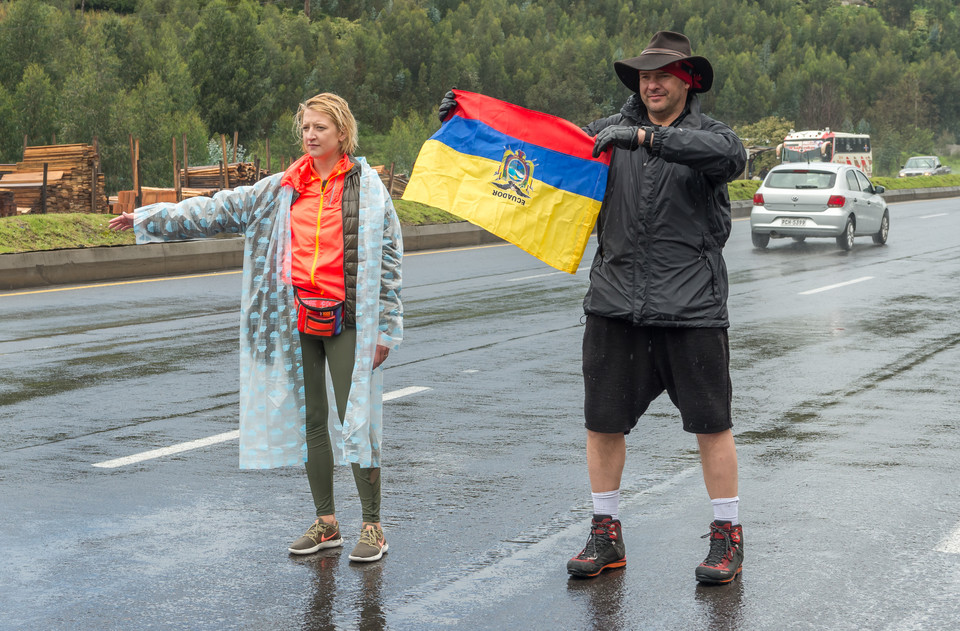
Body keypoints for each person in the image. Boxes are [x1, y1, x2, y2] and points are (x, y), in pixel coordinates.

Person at [439, 30, 746, 583]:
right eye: (642, 76)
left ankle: (727, 537)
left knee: (711, 425)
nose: (650, 83)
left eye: (663, 75)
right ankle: (606, 533)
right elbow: (538, 159)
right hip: (614, 305)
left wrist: (644, 139)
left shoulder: (709, 137)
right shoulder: (603, 137)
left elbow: (731, 158)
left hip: (691, 307)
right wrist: (469, 130)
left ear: (688, 81)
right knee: (603, 424)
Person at [109, 92, 403, 563]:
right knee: (312, 423)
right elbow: (218, 209)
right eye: (305, 127)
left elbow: (389, 259)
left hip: (350, 319)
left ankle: (373, 525)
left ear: (341, 134)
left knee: (357, 422)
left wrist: (386, 327)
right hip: (298, 318)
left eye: (319, 128)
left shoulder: (368, 189)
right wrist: (149, 217)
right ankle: (327, 523)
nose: (310, 135)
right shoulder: (281, 187)